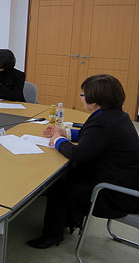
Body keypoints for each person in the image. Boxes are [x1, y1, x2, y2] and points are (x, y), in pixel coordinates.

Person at [27, 74, 139, 249]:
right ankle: (67, 221)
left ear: (95, 100)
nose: (81, 98)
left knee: (59, 187)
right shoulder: (115, 116)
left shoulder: (103, 121)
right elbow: (93, 136)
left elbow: (78, 155)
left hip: (115, 193)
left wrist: (57, 139)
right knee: (68, 176)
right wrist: (65, 133)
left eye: (82, 95)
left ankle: (51, 236)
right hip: (122, 180)